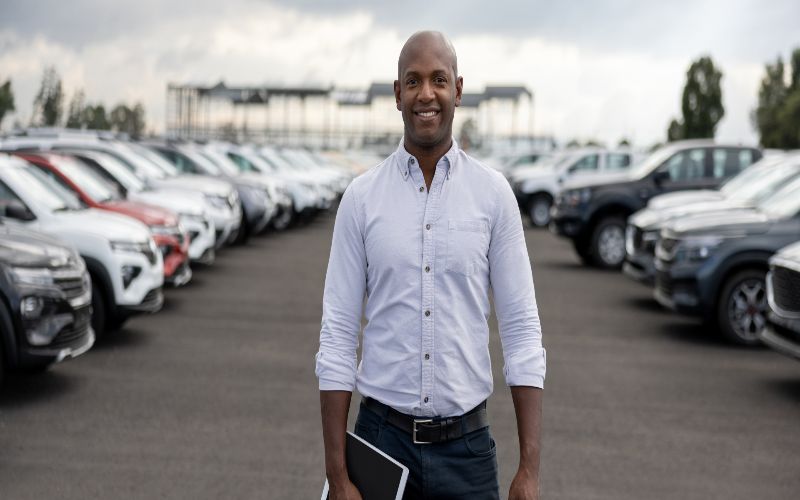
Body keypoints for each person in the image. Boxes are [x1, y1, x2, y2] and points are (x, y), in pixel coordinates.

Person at [316, 30, 546, 500]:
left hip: (468, 453)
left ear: (457, 90)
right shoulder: (361, 200)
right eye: (414, 81)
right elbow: (338, 335)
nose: (426, 94)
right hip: (380, 444)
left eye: (438, 80)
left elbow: (522, 330)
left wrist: (530, 469)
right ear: (397, 93)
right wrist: (339, 477)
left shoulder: (493, 195)